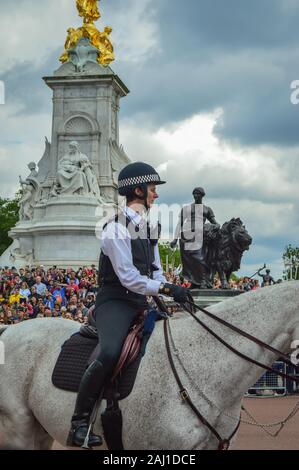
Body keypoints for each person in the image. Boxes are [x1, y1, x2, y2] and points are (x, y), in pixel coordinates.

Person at [67, 162, 190, 447]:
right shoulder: (114, 229)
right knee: (109, 352)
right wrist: (166, 287)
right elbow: (129, 277)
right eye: (152, 189)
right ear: (138, 190)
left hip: (140, 300)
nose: (156, 195)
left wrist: (170, 288)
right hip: (115, 302)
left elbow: (154, 270)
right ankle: (80, 423)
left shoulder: (149, 228)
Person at [171, 187, 220, 288]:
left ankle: (202, 281)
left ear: (202, 195)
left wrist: (216, 226)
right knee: (189, 261)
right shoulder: (187, 208)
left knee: (199, 258)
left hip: (200, 235)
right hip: (186, 235)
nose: (196, 195)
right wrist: (175, 239)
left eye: (198, 194)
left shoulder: (207, 209)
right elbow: (179, 224)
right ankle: (194, 282)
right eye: (194, 194)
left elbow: (215, 223)